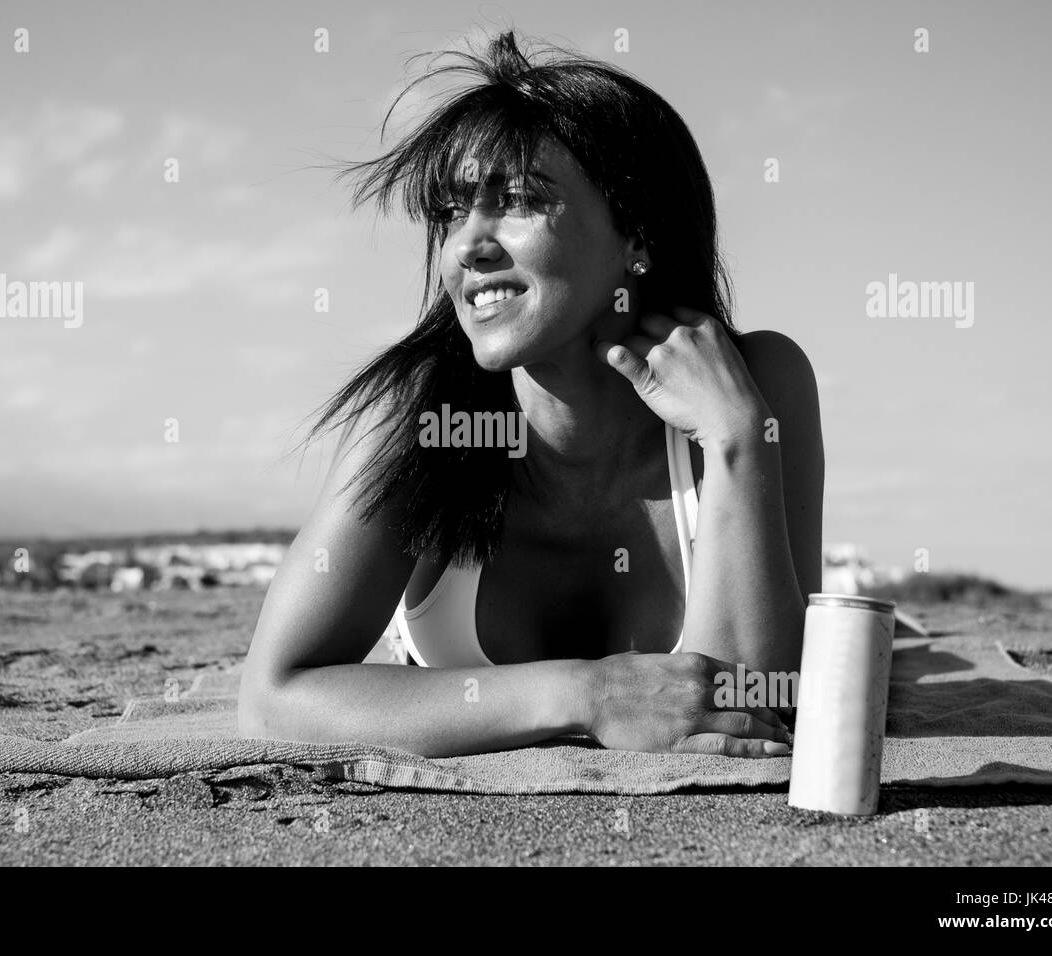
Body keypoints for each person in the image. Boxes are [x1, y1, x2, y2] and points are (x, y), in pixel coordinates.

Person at [238, 30, 824, 759]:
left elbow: (757, 710)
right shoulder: (421, 414)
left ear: (637, 231)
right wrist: (594, 694)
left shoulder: (760, 384)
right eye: (452, 212)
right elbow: (274, 696)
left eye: (516, 201)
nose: (465, 247)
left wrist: (737, 442)